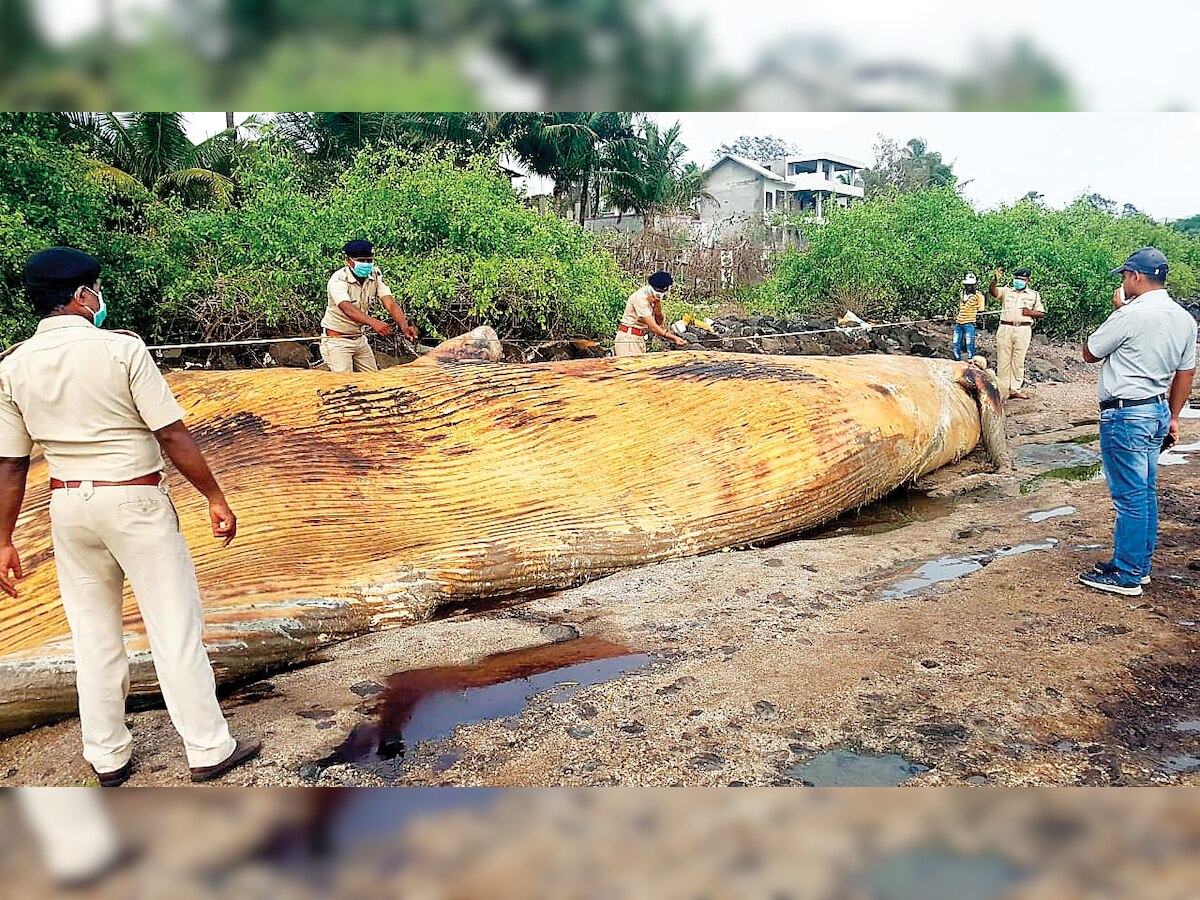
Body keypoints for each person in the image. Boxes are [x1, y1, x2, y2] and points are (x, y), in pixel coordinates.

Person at [0, 247, 260, 785]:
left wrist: (3, 539)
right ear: (81, 296)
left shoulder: (13, 365)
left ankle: (109, 756)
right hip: (134, 498)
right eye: (95, 289)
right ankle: (209, 748)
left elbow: (10, 465)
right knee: (173, 626)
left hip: (69, 505)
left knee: (92, 634)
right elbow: (171, 433)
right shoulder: (122, 350)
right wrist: (214, 495)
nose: (99, 298)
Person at [1078, 248, 1196, 597]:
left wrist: (1121, 312)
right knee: (1144, 493)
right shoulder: (1183, 319)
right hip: (1157, 410)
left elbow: (1089, 352)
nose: (1123, 282)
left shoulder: (1131, 315)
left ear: (1137, 277)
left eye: (1125, 276)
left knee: (1130, 497)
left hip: (1126, 413)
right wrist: (1173, 417)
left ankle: (1127, 574)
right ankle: (1136, 565)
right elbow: (1185, 374)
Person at [321, 239, 418, 373]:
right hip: (338, 341)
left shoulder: (375, 275)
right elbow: (346, 307)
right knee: (343, 385)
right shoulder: (338, 280)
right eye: (362, 260)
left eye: (369, 260)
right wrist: (374, 323)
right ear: (349, 261)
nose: (366, 264)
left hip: (359, 339)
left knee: (373, 379)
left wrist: (404, 326)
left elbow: (389, 302)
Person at [988, 266, 1045, 400]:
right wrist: (994, 280)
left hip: (1023, 329)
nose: (1018, 281)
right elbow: (993, 292)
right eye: (1017, 278)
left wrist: (1029, 312)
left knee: (1018, 360)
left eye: (1021, 279)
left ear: (1028, 281)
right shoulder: (1007, 291)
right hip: (1005, 327)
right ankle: (1002, 388)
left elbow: (1041, 313)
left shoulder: (1034, 295)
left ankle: (1015, 389)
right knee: (1003, 358)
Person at [613, 271, 688, 357]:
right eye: (660, 291)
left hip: (639, 338)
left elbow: (659, 322)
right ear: (653, 287)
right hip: (628, 339)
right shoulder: (640, 298)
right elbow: (653, 327)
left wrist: (657, 304)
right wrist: (674, 338)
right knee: (631, 369)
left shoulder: (653, 298)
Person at [952, 273, 986, 361]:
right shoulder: (961, 293)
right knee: (956, 343)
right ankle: (957, 360)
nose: (969, 287)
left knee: (969, 344)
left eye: (971, 285)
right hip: (959, 322)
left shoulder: (979, 296)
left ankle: (971, 361)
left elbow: (981, 309)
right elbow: (960, 306)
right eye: (967, 285)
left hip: (969, 323)